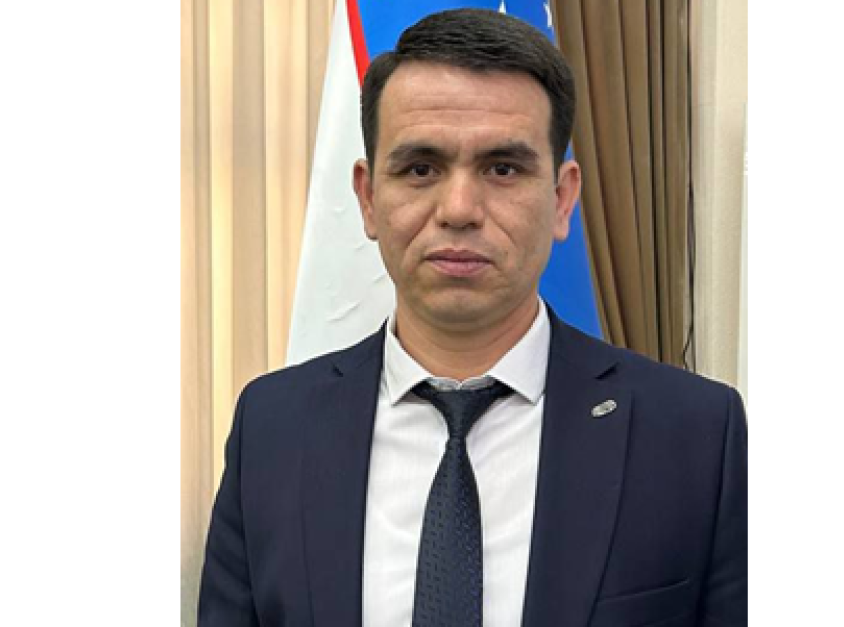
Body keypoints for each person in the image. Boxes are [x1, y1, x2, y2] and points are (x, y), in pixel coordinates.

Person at [198, 8, 746, 627]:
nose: (459, 209)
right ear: (369, 198)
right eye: (421, 168)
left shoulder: (696, 435)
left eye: (503, 168)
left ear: (562, 199)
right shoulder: (272, 429)